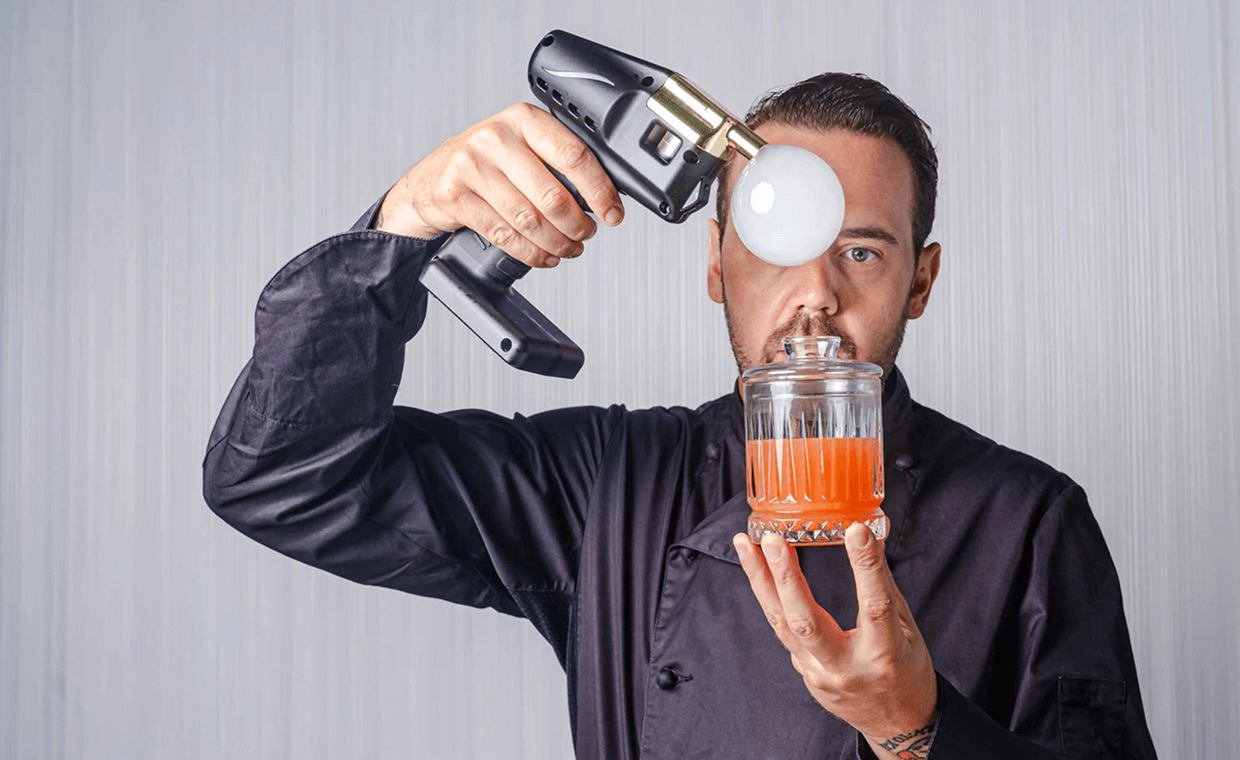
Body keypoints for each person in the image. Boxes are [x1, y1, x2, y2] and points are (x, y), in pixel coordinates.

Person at [202, 73, 1158, 759]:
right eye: (776, 245)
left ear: (920, 282)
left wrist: (917, 729)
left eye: (862, 254)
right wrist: (402, 230)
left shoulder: (1029, 520)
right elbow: (282, 476)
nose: (816, 297)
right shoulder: (608, 485)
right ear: (716, 264)